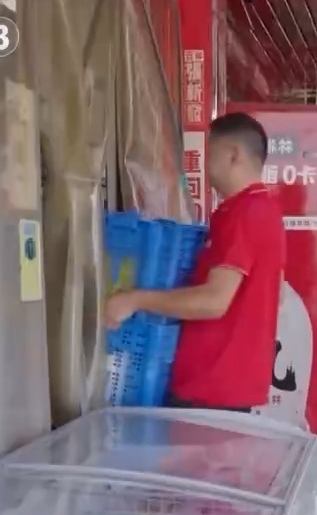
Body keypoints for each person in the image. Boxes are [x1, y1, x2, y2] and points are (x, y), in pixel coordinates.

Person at [104, 112, 286, 412]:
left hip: (210, 388)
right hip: (230, 387)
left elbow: (214, 301)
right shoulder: (265, 211)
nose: (206, 165)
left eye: (210, 154)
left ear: (233, 155)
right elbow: (276, 294)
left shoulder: (244, 213)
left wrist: (134, 299)